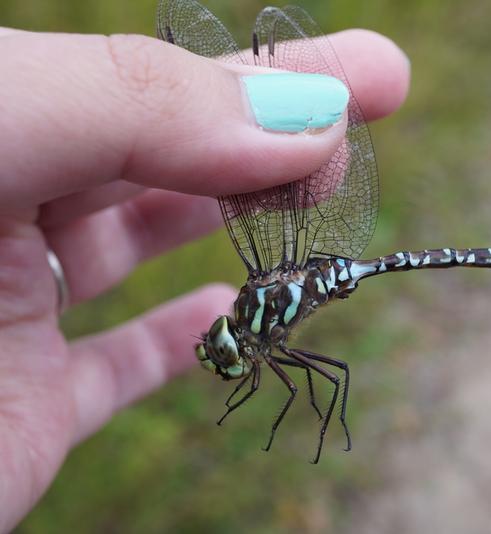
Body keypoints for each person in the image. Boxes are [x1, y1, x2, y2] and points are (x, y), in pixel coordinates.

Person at [0, 26, 410, 531]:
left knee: (330, 374)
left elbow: (323, 375)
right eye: (223, 349)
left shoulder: (259, 333)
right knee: (320, 375)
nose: (222, 353)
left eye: (221, 349)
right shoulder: (262, 334)